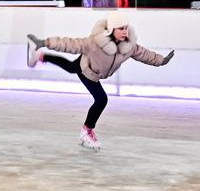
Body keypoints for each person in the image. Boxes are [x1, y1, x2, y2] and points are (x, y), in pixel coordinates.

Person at [26, 11, 175, 150]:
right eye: (121, 28)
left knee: (71, 67)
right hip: (88, 70)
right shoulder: (95, 43)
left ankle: (40, 57)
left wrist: (161, 60)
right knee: (101, 99)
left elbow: (144, 54)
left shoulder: (129, 46)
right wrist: (44, 42)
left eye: (126, 28)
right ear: (111, 30)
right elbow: (69, 44)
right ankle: (86, 132)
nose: (125, 32)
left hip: (91, 66)